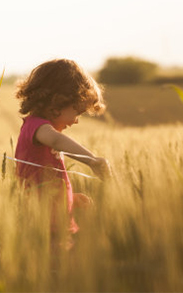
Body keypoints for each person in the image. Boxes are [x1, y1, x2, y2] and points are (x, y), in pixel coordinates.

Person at [14, 59, 112, 248]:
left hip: (56, 224)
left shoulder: (41, 130)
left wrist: (70, 199)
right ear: (57, 101)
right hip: (44, 227)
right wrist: (92, 161)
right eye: (77, 112)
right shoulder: (37, 127)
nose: (76, 121)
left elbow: (45, 184)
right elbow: (57, 141)